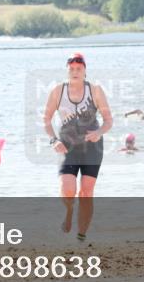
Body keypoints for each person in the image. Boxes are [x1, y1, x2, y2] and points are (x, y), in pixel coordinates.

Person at [43, 52, 113, 243]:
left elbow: (108, 121)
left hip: (92, 148)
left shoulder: (96, 90)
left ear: (84, 71)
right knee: (68, 189)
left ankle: (81, 236)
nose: (75, 72)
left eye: (79, 69)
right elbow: (46, 120)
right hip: (67, 147)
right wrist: (53, 140)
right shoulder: (58, 91)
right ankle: (68, 210)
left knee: (86, 192)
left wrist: (98, 132)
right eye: (72, 69)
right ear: (67, 71)